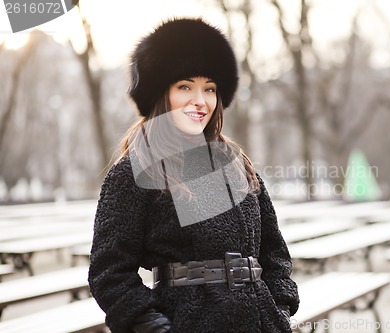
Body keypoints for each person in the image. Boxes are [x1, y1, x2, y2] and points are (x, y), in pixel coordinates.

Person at [88, 18, 299, 333]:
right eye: (185, 86)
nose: (200, 101)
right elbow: (109, 273)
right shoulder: (134, 172)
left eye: (209, 88)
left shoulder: (237, 163)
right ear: (162, 93)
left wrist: (279, 308)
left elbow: (274, 252)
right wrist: (155, 327)